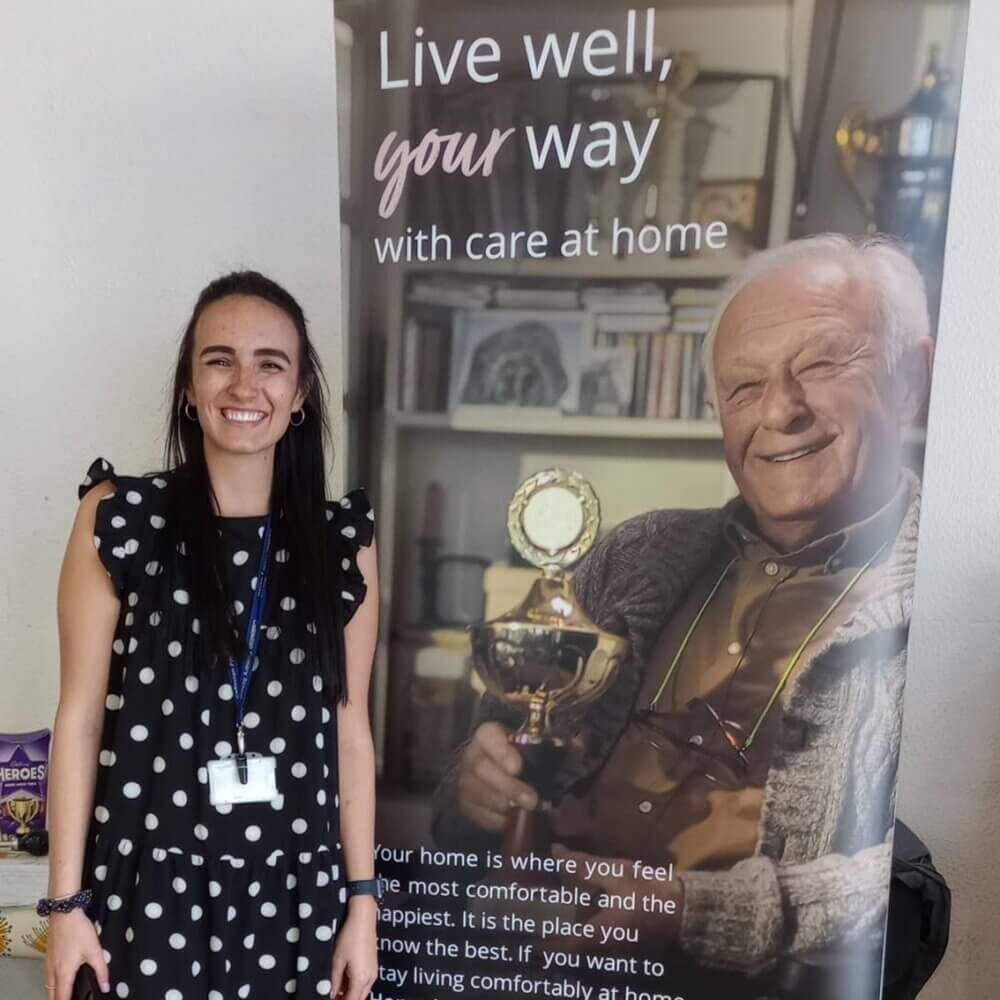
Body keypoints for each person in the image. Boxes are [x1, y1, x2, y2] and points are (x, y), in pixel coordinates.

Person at [433, 234, 934, 993]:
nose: (781, 410)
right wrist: (474, 790)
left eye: (824, 363)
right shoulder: (634, 555)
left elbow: (920, 889)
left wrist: (693, 909)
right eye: (744, 386)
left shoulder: (950, 608)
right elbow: (460, 806)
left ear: (912, 380)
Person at [42, 272, 380, 999]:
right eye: (219, 360)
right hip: (144, 888)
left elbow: (350, 733)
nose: (244, 385)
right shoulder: (120, 520)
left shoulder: (341, 543)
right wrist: (65, 906)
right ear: (189, 388)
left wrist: (362, 901)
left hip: (296, 896)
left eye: (271, 364)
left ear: (300, 393)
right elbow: (79, 717)